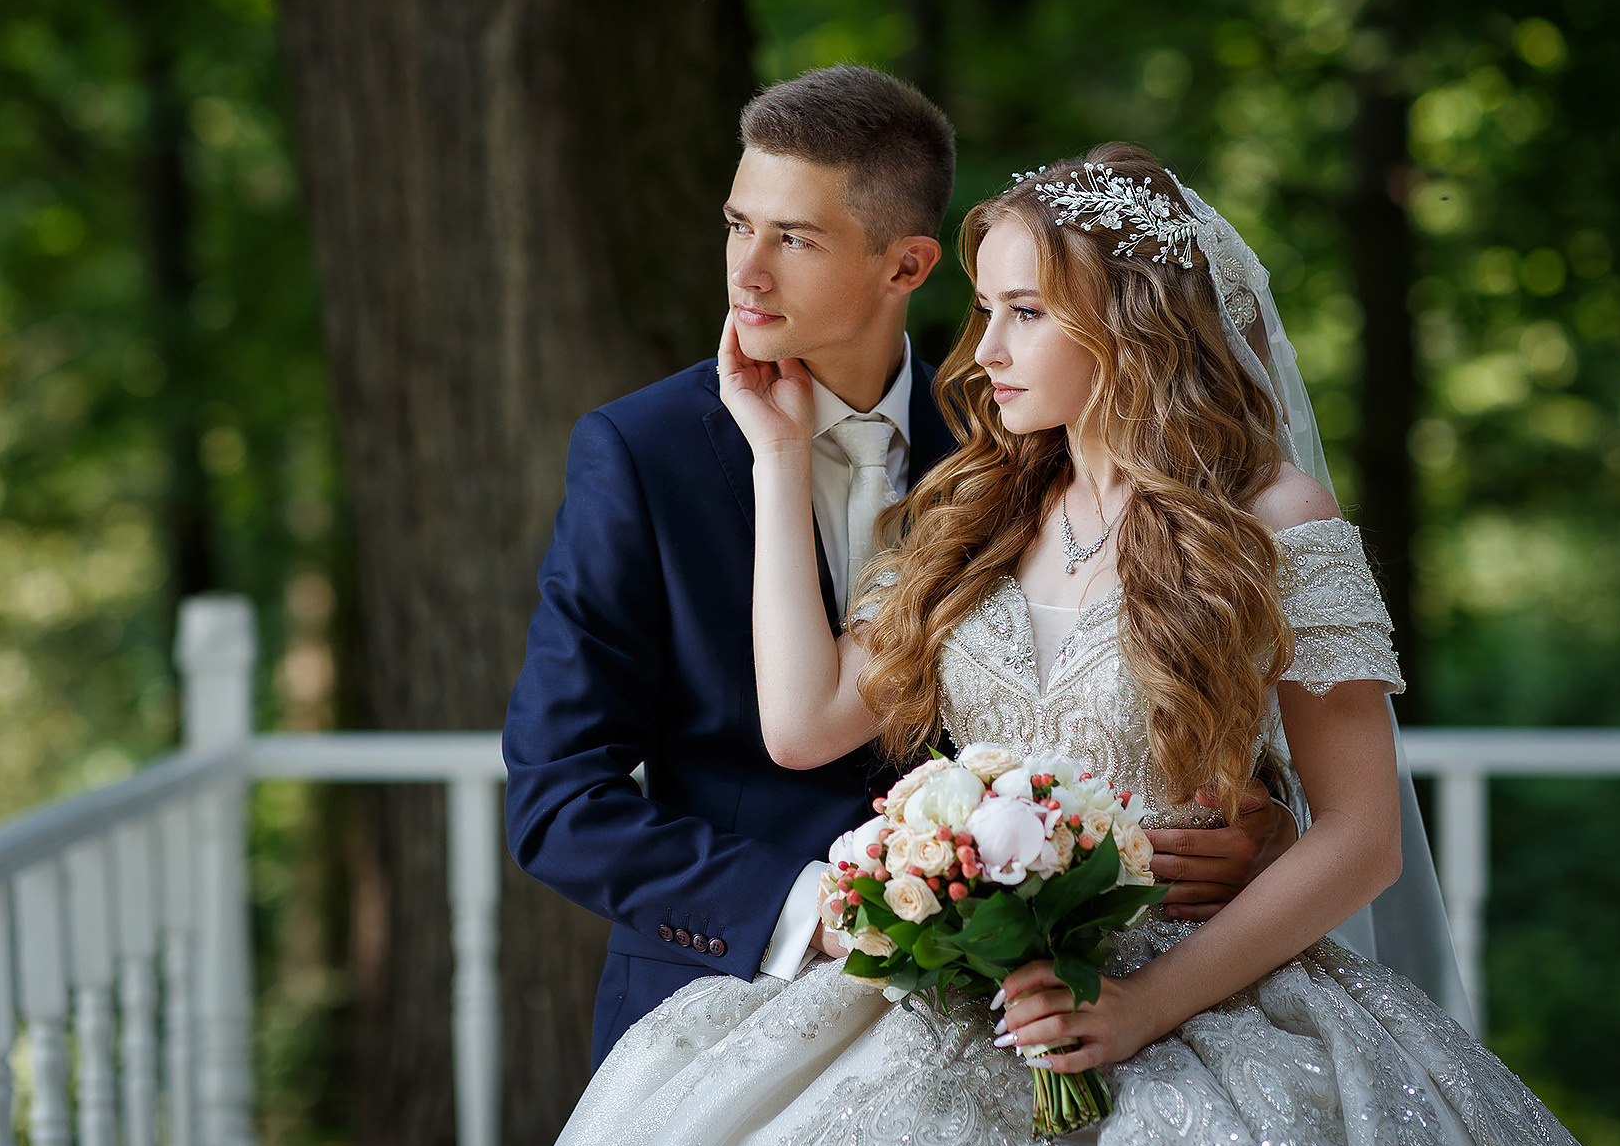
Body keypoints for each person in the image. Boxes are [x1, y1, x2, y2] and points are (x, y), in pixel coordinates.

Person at [522, 144, 1620, 1146]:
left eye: (1024, 313)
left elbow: (1361, 837)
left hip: (1198, 996)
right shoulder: (974, 510)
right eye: (986, 309)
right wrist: (773, 456)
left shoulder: (1273, 520)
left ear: (1128, 328)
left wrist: (1141, 1008)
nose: (983, 350)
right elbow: (803, 724)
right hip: (965, 998)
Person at [504, 68, 1292, 1071]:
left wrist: (1242, 835)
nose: (745, 273)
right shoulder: (637, 453)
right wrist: (830, 913)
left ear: (906, 266)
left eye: (792, 239)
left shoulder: (1021, 440)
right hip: (730, 1003)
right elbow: (558, 799)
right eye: (736, 225)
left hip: (1033, 1011)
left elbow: (1171, 692)